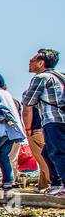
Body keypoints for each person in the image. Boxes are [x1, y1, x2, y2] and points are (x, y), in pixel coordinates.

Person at [22, 48, 65, 196]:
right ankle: (56, 184)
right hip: (61, 118)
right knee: (47, 153)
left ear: (41, 63)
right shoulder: (60, 76)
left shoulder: (41, 77)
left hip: (53, 119)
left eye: (32, 60)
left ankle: (62, 185)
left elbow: (28, 101)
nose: (29, 62)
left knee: (57, 153)